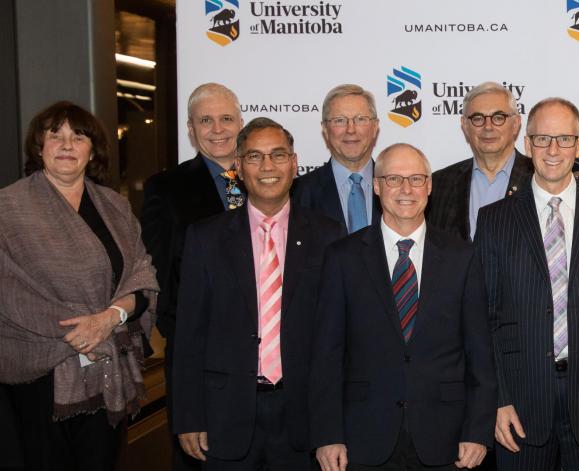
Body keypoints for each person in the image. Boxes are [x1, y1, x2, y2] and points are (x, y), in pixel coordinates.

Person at [475, 98, 579, 470]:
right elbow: (484, 319)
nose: (553, 150)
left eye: (565, 139)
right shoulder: (494, 221)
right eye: (543, 139)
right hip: (519, 405)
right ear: (527, 144)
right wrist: (497, 399)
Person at [172, 118, 344, 469]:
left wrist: (333, 425)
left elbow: (338, 338)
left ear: (294, 164)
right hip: (225, 415)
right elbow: (189, 334)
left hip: (303, 416)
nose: (267, 166)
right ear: (238, 166)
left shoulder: (328, 235)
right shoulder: (205, 238)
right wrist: (189, 415)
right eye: (254, 156)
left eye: (278, 155)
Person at [311, 143, 495, 471]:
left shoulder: (462, 256)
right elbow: (327, 355)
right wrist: (328, 435)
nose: (406, 189)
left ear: (429, 185)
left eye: (416, 179)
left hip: (447, 438)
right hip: (362, 436)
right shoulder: (343, 257)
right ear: (377, 186)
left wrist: (478, 431)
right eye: (394, 179)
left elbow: (479, 353)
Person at [0, 101, 158, 470]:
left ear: (93, 150)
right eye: (55, 136)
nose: (67, 145)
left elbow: (142, 273)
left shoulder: (114, 206)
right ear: (39, 146)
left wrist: (108, 318)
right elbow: (9, 290)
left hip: (106, 366)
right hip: (37, 374)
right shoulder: (8, 208)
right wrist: (79, 331)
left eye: (79, 137)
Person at [140, 82, 245, 471]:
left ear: (240, 123)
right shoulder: (167, 188)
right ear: (190, 129)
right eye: (205, 120)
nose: (217, 129)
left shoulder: (270, 179)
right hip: (201, 356)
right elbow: (157, 270)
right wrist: (180, 334)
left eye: (226, 118)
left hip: (268, 357)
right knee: (199, 458)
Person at [428, 82, 534, 242]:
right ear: (465, 125)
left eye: (498, 118)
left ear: (516, 124)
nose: (488, 127)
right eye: (478, 118)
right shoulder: (438, 184)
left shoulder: (538, 177)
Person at [292, 84, 382, 234]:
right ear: (325, 129)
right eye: (339, 120)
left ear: (375, 127)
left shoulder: (398, 188)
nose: (351, 129)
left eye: (360, 119)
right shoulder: (297, 194)